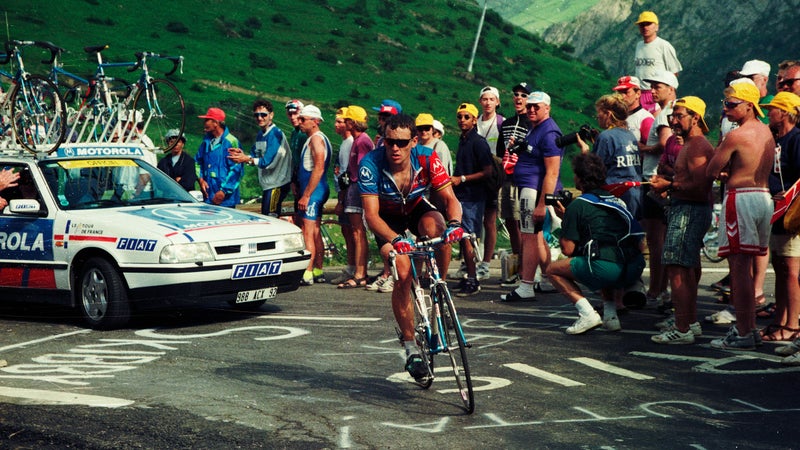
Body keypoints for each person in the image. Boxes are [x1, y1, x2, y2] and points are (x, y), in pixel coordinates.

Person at [358, 113, 463, 381]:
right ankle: (410, 346)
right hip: (385, 218)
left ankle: (440, 285)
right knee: (402, 272)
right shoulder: (371, 163)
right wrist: (395, 240)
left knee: (438, 229)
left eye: (402, 143)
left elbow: (449, 198)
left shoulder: (427, 157)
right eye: (389, 142)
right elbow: (371, 216)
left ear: (413, 142)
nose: (394, 148)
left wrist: (455, 223)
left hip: (416, 207)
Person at [706, 82, 775, 350]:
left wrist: (724, 171)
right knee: (747, 268)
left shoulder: (736, 136)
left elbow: (711, 170)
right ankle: (750, 329)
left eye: (731, 105)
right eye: (725, 104)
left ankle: (745, 331)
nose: (726, 109)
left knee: (739, 270)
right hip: (764, 197)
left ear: (749, 105)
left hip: (741, 197)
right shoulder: (767, 131)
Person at [546, 153, 645, 335]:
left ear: (581, 179)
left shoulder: (577, 206)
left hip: (608, 268)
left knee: (552, 270)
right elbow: (639, 243)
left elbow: (568, 250)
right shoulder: (618, 200)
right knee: (602, 253)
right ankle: (610, 316)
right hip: (634, 267)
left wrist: (564, 222)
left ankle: (587, 314)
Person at [649, 96, 715, 344]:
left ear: (695, 117)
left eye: (679, 116)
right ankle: (689, 322)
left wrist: (669, 185)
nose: (674, 122)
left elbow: (700, 186)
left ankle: (682, 327)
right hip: (686, 208)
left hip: (689, 210)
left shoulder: (697, 145)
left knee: (677, 268)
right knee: (684, 268)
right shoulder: (690, 143)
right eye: (672, 117)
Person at [501, 91, 563, 302]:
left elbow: (552, 172)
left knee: (528, 236)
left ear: (547, 108)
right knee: (535, 236)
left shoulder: (549, 133)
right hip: (529, 187)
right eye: (530, 106)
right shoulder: (535, 128)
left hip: (533, 189)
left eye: (537, 106)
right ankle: (546, 278)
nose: (532, 110)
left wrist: (542, 204)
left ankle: (526, 285)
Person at [759, 92, 800, 343]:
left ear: (784, 112)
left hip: (792, 212)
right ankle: (780, 320)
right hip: (778, 211)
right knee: (780, 267)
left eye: (772, 109)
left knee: (791, 270)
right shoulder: (777, 139)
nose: (768, 113)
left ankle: (793, 324)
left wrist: (790, 194)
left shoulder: (796, 139)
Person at [639, 71, 679, 307]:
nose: (653, 91)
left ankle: (656, 290)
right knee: (659, 239)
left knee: (656, 240)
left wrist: (643, 148)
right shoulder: (665, 111)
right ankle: (660, 288)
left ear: (670, 88)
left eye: (658, 87)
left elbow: (664, 144)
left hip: (654, 179)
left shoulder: (665, 114)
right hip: (659, 178)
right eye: (652, 87)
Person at [451, 102, 493, 296]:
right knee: (462, 236)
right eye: (460, 117)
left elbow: (488, 171)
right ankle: (468, 273)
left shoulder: (478, 142)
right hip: (462, 195)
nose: (462, 120)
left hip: (473, 196)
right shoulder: (463, 139)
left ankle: (473, 278)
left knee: (469, 237)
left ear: (475, 119)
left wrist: (463, 179)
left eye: (466, 117)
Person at [228, 99, 292, 216]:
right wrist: (242, 155)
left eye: (263, 115)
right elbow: (254, 156)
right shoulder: (260, 134)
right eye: (256, 115)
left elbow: (266, 161)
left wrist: (245, 159)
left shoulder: (275, 134)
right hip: (268, 184)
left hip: (277, 183)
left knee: (271, 218)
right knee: (267, 216)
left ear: (271, 115)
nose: (260, 118)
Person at [496, 82, 531, 286]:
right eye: (516, 94)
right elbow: (501, 151)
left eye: (523, 95)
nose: (518, 98)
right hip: (508, 179)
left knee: (524, 224)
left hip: (525, 179)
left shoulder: (533, 123)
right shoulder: (507, 123)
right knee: (510, 222)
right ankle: (517, 267)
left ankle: (528, 269)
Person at [337, 105, 373, 289]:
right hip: (353, 186)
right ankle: (359, 271)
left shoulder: (362, 142)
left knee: (358, 232)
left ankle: (360, 273)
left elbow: (363, 169)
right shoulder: (358, 141)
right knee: (355, 231)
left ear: (352, 122)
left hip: (358, 187)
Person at [296, 104, 332, 286]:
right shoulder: (317, 138)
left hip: (314, 191)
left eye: (303, 119)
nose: (299, 122)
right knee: (316, 232)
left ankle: (307, 272)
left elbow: (319, 167)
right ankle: (318, 269)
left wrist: (306, 195)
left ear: (315, 121)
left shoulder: (316, 140)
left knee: (308, 232)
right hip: (318, 189)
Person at [476, 86, 504, 282]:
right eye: (484, 99)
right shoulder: (474, 122)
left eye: (491, 99)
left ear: (497, 102)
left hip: (494, 176)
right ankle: (470, 260)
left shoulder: (501, 122)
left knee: (490, 221)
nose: (487, 103)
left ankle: (485, 263)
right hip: (476, 175)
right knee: (473, 220)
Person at [633, 11, 682, 115]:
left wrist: (666, 93)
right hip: (640, 93)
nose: (645, 27)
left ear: (656, 27)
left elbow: (674, 72)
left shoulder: (663, 45)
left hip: (656, 93)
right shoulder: (639, 46)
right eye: (642, 25)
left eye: (648, 24)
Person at [330, 107, 357, 285]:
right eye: (336, 121)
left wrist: (341, 199)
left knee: (350, 231)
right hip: (343, 191)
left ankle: (353, 268)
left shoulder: (350, 143)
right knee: (346, 230)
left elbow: (347, 174)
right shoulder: (345, 142)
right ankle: (351, 266)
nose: (336, 124)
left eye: (340, 121)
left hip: (347, 194)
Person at [195, 107, 243, 207]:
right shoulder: (206, 142)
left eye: (207, 120)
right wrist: (201, 180)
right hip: (208, 197)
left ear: (216, 123)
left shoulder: (231, 141)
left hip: (226, 201)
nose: (204, 123)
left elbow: (236, 169)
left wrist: (223, 192)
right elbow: (197, 162)